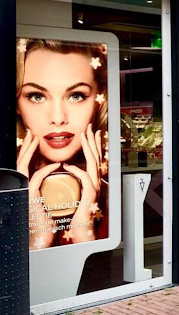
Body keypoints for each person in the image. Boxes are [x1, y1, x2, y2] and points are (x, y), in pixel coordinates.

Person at [16, 38, 109, 250]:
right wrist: (38, 239)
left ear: (99, 99)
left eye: (76, 96)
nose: (58, 118)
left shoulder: (116, 200)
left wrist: (83, 231)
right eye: (37, 96)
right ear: (17, 104)